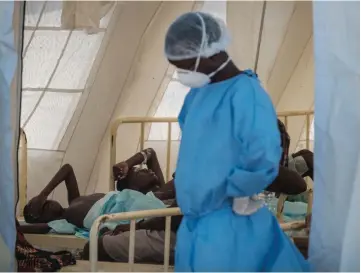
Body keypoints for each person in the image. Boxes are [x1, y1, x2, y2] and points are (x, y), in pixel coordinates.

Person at [164, 12, 310, 271]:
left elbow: (263, 157)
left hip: (230, 223)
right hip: (194, 225)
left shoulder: (246, 95)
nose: (183, 73)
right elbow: (195, 147)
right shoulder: (196, 97)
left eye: (186, 66)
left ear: (211, 54)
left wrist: (237, 189)